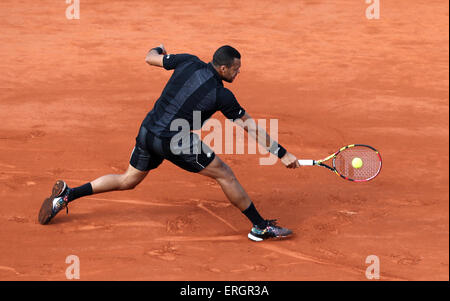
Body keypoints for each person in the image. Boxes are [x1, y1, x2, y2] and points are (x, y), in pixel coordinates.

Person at [38, 44, 300, 241]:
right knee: (225, 174)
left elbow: (150, 57)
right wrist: (282, 153)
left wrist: (158, 48)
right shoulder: (222, 95)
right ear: (223, 69)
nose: (238, 72)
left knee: (128, 180)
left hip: (147, 131)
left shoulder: (187, 61)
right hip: (175, 141)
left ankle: (67, 195)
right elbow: (250, 127)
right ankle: (259, 227)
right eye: (236, 68)